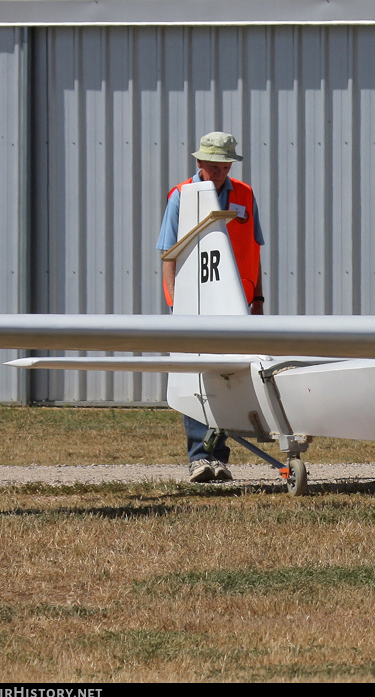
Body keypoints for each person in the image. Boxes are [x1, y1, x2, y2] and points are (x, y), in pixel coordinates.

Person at [157, 131, 266, 482]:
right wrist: (176, 305)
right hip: (196, 305)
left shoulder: (245, 195)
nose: (219, 171)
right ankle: (199, 457)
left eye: (225, 165)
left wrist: (259, 299)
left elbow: (254, 248)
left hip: (237, 303)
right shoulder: (181, 196)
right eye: (213, 164)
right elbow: (168, 253)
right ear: (199, 162)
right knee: (197, 374)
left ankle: (220, 456)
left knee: (229, 375)